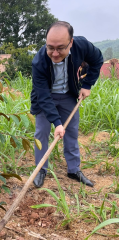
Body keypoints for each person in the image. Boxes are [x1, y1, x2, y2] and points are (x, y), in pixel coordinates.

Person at [30, 21, 103, 188]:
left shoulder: (82, 46)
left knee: (71, 131)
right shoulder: (39, 61)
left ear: (71, 42)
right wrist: (56, 123)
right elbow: (42, 95)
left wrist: (87, 85)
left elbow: (97, 60)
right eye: (50, 48)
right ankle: (40, 169)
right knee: (41, 132)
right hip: (46, 97)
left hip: (69, 95)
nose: (54, 53)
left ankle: (73, 169)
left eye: (60, 48)